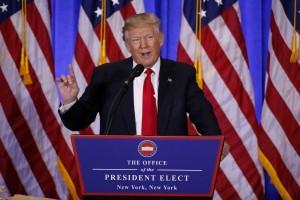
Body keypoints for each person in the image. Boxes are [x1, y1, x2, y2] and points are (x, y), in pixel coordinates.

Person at [57, 13, 221, 137]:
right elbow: (79, 121)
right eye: (135, 40)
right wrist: (69, 101)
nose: (143, 45)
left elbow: (204, 117)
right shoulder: (107, 75)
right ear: (128, 45)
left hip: (169, 169)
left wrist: (216, 143)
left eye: (149, 37)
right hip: (121, 169)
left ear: (161, 40)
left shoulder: (182, 74)